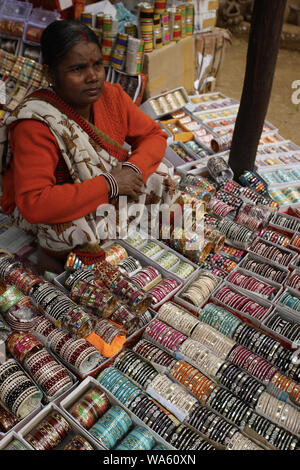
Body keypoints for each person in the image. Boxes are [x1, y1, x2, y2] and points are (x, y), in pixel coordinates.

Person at [0, 20, 173, 273]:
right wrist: (111, 184)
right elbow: (35, 203)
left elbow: (154, 135)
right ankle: (60, 267)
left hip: (101, 189)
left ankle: (122, 237)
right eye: (78, 69)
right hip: (61, 205)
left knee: (161, 176)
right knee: (64, 228)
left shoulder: (112, 97)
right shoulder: (35, 123)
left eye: (97, 65)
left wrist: (133, 170)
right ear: (50, 74)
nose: (92, 77)